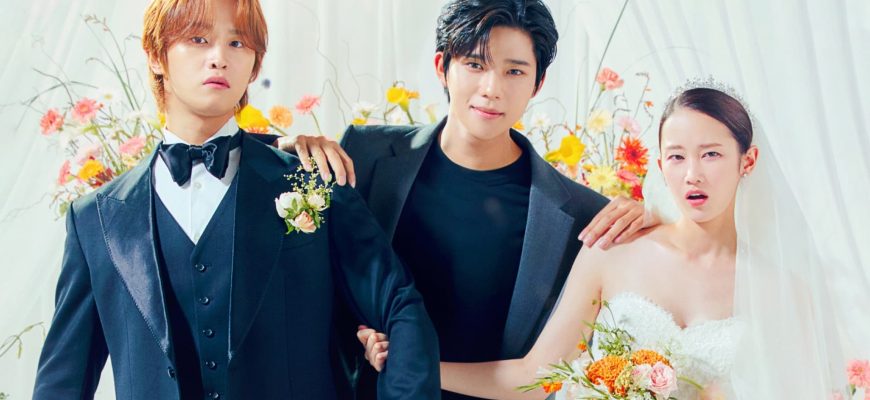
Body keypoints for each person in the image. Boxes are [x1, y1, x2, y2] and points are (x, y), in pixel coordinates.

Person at [32, 0, 440, 398]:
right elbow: (63, 380)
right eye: (198, 39)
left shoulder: (313, 182)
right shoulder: (96, 220)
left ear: (255, 65)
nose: (219, 59)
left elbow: (399, 305)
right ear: (156, 56)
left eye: (237, 43)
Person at [362, 84, 854, 399]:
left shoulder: (784, 288)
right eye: (677, 156)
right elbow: (537, 375)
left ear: (748, 161)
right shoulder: (613, 250)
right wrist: (418, 363)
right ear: (659, 165)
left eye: (711, 154)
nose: (693, 174)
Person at [271, 1, 653, 398]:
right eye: (475, 64)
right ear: (442, 67)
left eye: (515, 71)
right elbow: (299, 265)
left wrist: (654, 216)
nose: (492, 89)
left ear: (537, 84)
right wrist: (288, 148)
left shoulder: (581, 214)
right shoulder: (365, 155)